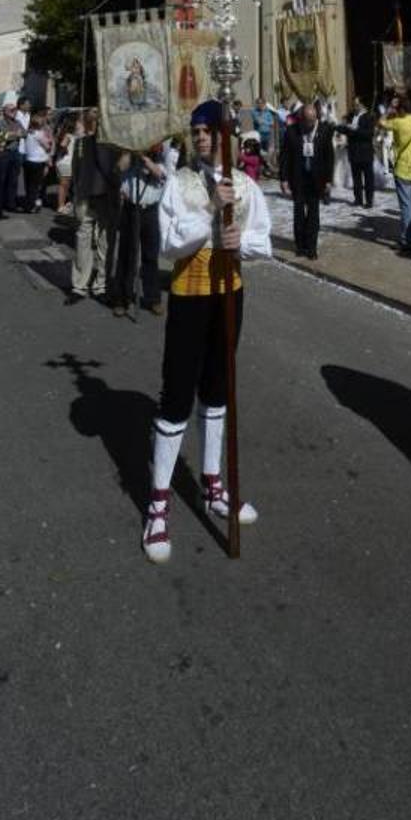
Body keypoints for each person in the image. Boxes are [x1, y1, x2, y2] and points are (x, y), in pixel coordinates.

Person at [143, 102, 272, 564]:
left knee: (218, 389)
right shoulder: (179, 184)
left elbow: (264, 239)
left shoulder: (246, 185)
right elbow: (169, 243)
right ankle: (159, 501)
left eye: (207, 130)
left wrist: (242, 243)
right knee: (177, 393)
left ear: (225, 135)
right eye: (195, 130)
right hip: (190, 295)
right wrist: (210, 213)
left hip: (229, 295)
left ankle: (213, 482)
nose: (199, 137)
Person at [109, 145, 167, 318]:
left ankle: (153, 298)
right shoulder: (128, 156)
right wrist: (130, 153)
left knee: (150, 256)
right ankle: (121, 298)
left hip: (150, 210)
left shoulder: (159, 159)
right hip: (131, 209)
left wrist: (145, 159)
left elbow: (161, 175)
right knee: (127, 254)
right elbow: (119, 169)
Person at [70, 111, 119, 302]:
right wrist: (77, 192)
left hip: (106, 197)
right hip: (85, 197)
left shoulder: (112, 144)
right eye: (90, 120)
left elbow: (114, 171)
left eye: (97, 121)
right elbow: (75, 169)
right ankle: (79, 285)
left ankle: (101, 284)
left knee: (104, 243)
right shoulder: (81, 143)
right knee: (82, 241)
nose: (94, 124)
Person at [279, 102, 335, 259]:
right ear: (301, 119)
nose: (310, 124)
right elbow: (285, 156)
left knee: (313, 214)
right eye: (307, 121)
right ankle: (300, 246)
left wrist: (328, 180)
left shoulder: (324, 130)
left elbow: (329, 157)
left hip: (316, 179)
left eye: (312, 121)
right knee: (298, 213)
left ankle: (311, 247)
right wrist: (283, 179)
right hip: (298, 178)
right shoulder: (292, 131)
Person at [381, 95, 411, 254]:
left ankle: (407, 240)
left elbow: (381, 123)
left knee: (406, 206)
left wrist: (389, 111)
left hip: (403, 169)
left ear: (402, 109)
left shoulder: (398, 122)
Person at [338, 97, 377, 208]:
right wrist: (340, 128)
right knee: (356, 178)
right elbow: (346, 129)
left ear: (362, 105)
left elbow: (369, 134)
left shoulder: (368, 116)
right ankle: (358, 199)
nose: (354, 106)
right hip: (354, 151)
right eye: (353, 104)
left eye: (357, 104)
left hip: (365, 152)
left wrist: (355, 130)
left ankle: (369, 201)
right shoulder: (351, 116)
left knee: (368, 178)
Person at [21, 111, 53, 212]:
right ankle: (31, 205)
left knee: (29, 184)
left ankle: (30, 203)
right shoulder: (39, 134)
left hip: (28, 160)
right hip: (38, 161)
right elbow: (47, 147)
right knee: (35, 185)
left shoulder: (28, 132)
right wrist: (50, 141)